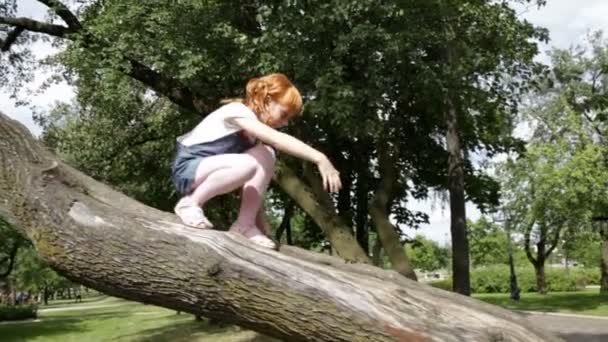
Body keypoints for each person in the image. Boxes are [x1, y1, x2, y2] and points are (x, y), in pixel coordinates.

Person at [171, 73, 341, 249]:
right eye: (283, 114)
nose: (284, 123)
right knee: (252, 161)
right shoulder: (237, 111)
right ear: (267, 100)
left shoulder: (253, 138)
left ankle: (245, 225)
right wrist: (320, 158)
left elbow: (253, 184)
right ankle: (190, 204)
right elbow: (275, 139)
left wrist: (260, 225)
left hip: (214, 169)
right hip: (189, 170)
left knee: (266, 154)